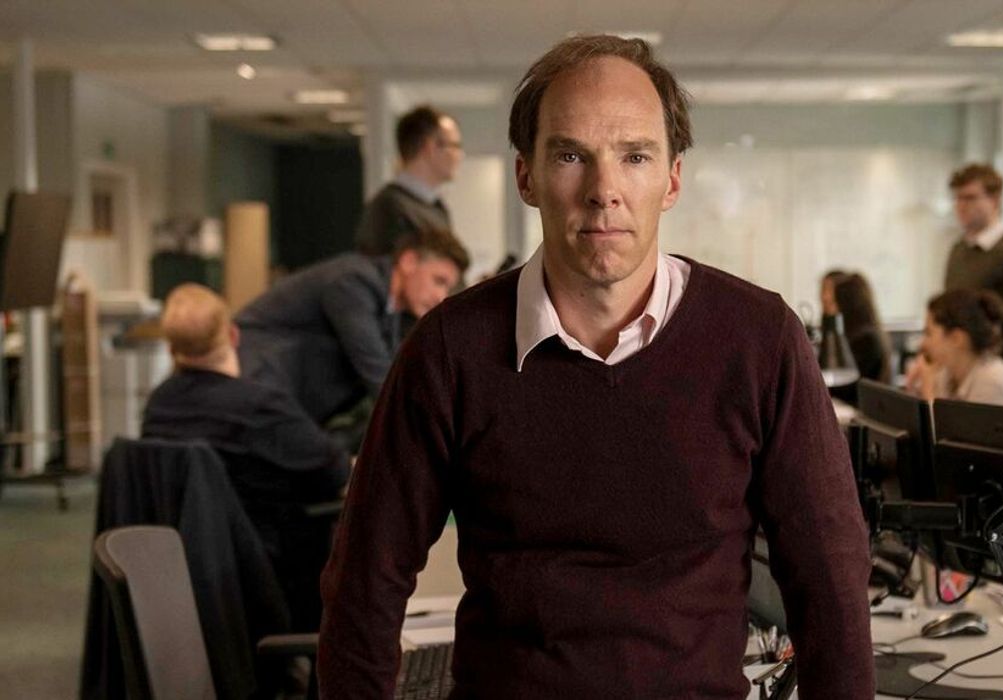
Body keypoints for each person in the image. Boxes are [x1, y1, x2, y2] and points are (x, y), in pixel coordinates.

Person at [318, 34, 873, 699]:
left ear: (672, 179)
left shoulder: (758, 339)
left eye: (634, 156)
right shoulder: (448, 349)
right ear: (526, 176)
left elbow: (830, 576)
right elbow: (365, 583)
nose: (604, 190)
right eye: (570, 155)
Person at [142, 283, 350, 630]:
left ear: (171, 347)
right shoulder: (260, 407)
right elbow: (336, 472)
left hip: (181, 571)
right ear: (232, 335)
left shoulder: (158, 406)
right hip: (265, 574)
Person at [236, 232, 469, 430]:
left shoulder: (390, 308)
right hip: (256, 383)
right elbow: (377, 371)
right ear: (409, 261)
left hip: (281, 395)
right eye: (438, 281)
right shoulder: (354, 281)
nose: (441, 297)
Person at [943, 163, 1003, 379]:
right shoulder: (958, 250)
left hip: (993, 375)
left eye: (970, 198)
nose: (961, 205)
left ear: (995, 200)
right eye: (957, 198)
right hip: (957, 373)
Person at [356, 105, 464, 256]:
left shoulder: (436, 207)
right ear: (430, 148)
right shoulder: (389, 209)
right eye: (455, 146)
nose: (460, 155)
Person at [905, 288, 1003, 408]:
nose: (922, 344)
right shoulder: (946, 371)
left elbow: (944, 422)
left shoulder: (992, 380)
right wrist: (913, 387)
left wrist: (928, 389)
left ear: (956, 338)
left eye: (928, 333)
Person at [821, 269, 892, 383]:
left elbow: (847, 385)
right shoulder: (856, 335)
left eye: (833, 302)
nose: (827, 308)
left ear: (847, 304)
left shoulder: (865, 341)